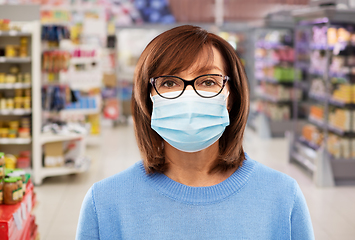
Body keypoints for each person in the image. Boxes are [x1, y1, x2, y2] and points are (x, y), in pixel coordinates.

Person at [76, 25, 315, 240]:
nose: (189, 96)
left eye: (208, 82)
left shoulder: (283, 198)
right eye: (169, 83)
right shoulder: (105, 204)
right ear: (148, 99)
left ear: (230, 97)